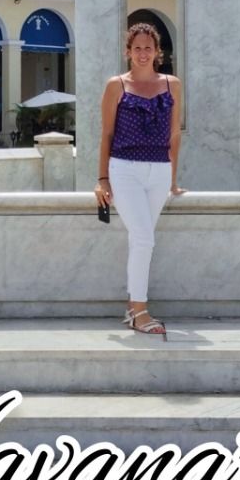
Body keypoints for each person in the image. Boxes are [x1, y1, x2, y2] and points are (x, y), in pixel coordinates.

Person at [96, 23, 184, 339]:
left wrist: (173, 179)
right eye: (137, 48)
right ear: (128, 52)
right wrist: (102, 179)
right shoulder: (116, 86)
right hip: (124, 169)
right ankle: (140, 310)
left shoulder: (172, 85)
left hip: (159, 170)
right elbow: (105, 134)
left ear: (157, 52)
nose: (143, 53)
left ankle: (132, 308)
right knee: (145, 238)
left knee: (139, 239)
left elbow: (175, 134)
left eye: (149, 48)